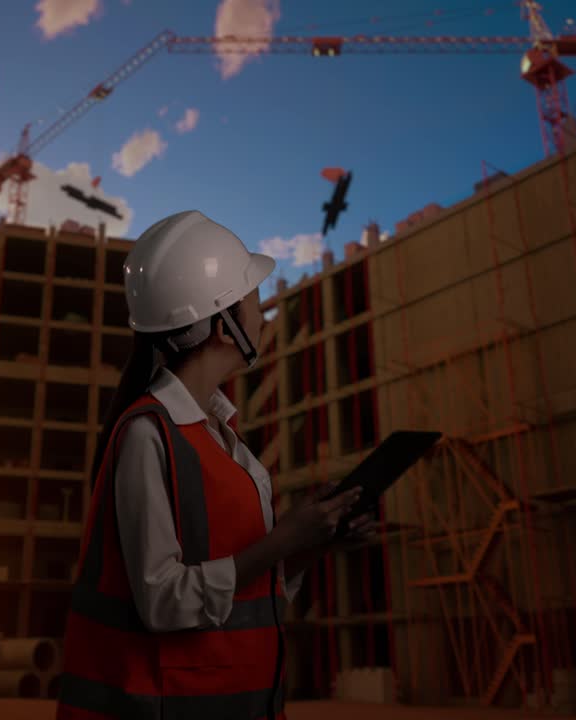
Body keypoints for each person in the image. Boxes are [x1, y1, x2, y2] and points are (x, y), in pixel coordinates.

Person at [55, 210, 378, 720]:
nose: (262, 318)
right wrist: (281, 542)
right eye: (255, 304)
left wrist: (312, 544)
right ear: (224, 326)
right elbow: (163, 600)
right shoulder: (148, 434)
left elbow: (245, 594)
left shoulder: (224, 441)